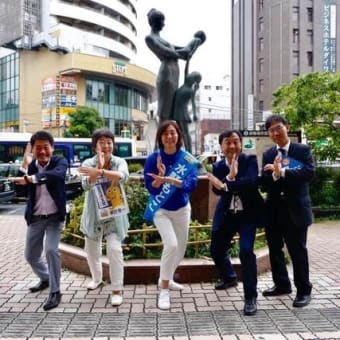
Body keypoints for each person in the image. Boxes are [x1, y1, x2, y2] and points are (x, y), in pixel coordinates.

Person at [206, 130, 264, 316]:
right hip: (227, 213)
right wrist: (226, 182)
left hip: (248, 214)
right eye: (227, 142)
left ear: (241, 143)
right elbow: (217, 193)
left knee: (246, 251)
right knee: (216, 249)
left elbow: (251, 183)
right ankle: (230, 277)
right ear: (221, 146)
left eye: (235, 142)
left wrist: (227, 183)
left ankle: (250, 297)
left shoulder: (250, 160)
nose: (232, 146)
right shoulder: (217, 166)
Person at [143, 120, 199, 310]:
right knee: (171, 244)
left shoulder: (188, 159)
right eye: (165, 133)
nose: (169, 136)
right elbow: (151, 188)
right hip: (161, 210)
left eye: (173, 133)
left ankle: (165, 276)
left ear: (179, 136)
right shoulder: (152, 159)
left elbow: (191, 185)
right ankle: (164, 290)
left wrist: (171, 180)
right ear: (160, 137)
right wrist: (160, 181)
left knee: (180, 248)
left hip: (182, 209)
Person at [261, 114, 315, 308]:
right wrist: (273, 176)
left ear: (287, 127)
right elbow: (265, 183)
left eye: (278, 128)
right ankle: (282, 285)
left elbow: (308, 173)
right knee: (275, 250)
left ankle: (304, 291)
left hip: (296, 210)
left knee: (297, 251)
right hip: (274, 210)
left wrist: (281, 172)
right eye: (271, 130)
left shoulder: (301, 150)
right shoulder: (268, 155)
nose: (275, 132)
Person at [10, 131, 68, 311]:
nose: (42, 151)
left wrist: (31, 178)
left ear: (52, 148)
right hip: (35, 217)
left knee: (51, 250)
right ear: (32, 150)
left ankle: (55, 291)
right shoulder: (31, 166)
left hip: (54, 217)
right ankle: (45, 278)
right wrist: (24, 166)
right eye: (38, 148)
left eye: (45, 147)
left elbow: (56, 176)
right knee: (31, 256)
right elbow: (18, 192)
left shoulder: (60, 162)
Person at [78, 128, 130, 306]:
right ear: (95, 146)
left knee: (115, 250)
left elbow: (122, 177)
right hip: (94, 214)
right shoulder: (88, 162)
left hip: (114, 214)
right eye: (102, 142)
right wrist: (98, 167)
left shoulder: (119, 161)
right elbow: (85, 185)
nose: (106, 146)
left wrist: (100, 172)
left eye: (109, 142)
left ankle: (117, 289)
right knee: (92, 251)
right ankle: (97, 278)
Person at [145, 8, 205, 123]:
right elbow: (167, 52)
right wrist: (184, 52)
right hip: (167, 72)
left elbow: (178, 50)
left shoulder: (161, 38)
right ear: (155, 22)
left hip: (174, 71)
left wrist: (188, 49)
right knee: (165, 110)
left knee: (171, 109)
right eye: (162, 21)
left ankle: (169, 135)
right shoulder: (150, 38)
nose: (164, 23)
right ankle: (161, 137)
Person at [171, 71, 202, 153]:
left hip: (183, 113)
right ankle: (179, 150)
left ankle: (189, 151)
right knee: (179, 132)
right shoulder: (184, 84)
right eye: (190, 76)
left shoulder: (190, 91)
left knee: (185, 132)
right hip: (177, 112)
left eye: (192, 77)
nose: (189, 77)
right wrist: (188, 59)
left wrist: (195, 114)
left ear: (194, 81)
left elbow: (193, 103)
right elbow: (185, 69)